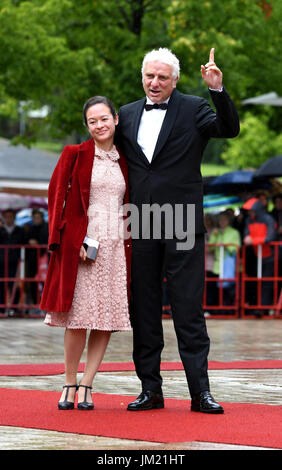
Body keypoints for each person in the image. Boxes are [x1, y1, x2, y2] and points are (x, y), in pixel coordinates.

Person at [116, 47, 239, 413]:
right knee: (145, 308)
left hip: (182, 219)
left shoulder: (194, 107)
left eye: (163, 78)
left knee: (188, 307)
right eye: (150, 76)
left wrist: (217, 90)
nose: (155, 83)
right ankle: (150, 389)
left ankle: (200, 392)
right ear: (142, 76)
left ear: (175, 80)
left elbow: (228, 129)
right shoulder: (125, 114)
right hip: (142, 220)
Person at [40, 96, 131, 410]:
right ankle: (68, 381)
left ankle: (88, 383)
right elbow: (56, 197)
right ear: (87, 125)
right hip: (83, 246)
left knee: (104, 320)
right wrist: (67, 240)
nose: (99, 126)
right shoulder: (75, 154)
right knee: (78, 318)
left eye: (104, 119)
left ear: (115, 119)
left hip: (117, 246)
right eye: (92, 121)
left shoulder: (125, 159)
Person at [243, 197, 277, 314]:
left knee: (267, 283)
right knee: (256, 282)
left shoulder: (269, 219)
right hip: (256, 255)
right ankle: (255, 306)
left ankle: (263, 308)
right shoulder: (249, 220)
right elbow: (246, 235)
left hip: (271, 256)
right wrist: (250, 239)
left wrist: (254, 241)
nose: (249, 212)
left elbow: (270, 237)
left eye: (251, 210)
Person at [209, 211, 241, 310]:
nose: (222, 222)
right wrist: (214, 236)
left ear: (228, 221)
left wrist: (224, 245)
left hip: (229, 265)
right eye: (220, 220)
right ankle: (220, 310)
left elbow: (236, 247)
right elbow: (210, 247)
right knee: (218, 289)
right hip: (218, 265)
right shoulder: (216, 232)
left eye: (224, 219)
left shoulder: (234, 232)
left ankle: (231, 309)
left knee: (230, 288)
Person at [0, 209, 25, 313]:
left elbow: (24, 242)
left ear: (14, 218)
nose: (9, 219)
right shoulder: (1, 230)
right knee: (1, 285)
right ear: (4, 218)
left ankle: (14, 308)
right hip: (1, 261)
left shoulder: (19, 230)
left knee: (14, 284)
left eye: (11, 216)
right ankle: (1, 307)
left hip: (15, 261)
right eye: (7, 216)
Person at [25, 209, 48, 310]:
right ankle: (35, 303)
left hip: (44, 259)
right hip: (33, 260)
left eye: (38, 218)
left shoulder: (46, 228)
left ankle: (45, 304)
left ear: (42, 218)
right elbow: (26, 240)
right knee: (32, 281)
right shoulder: (31, 228)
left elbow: (46, 241)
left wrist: (38, 244)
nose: (36, 220)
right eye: (34, 218)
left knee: (45, 282)